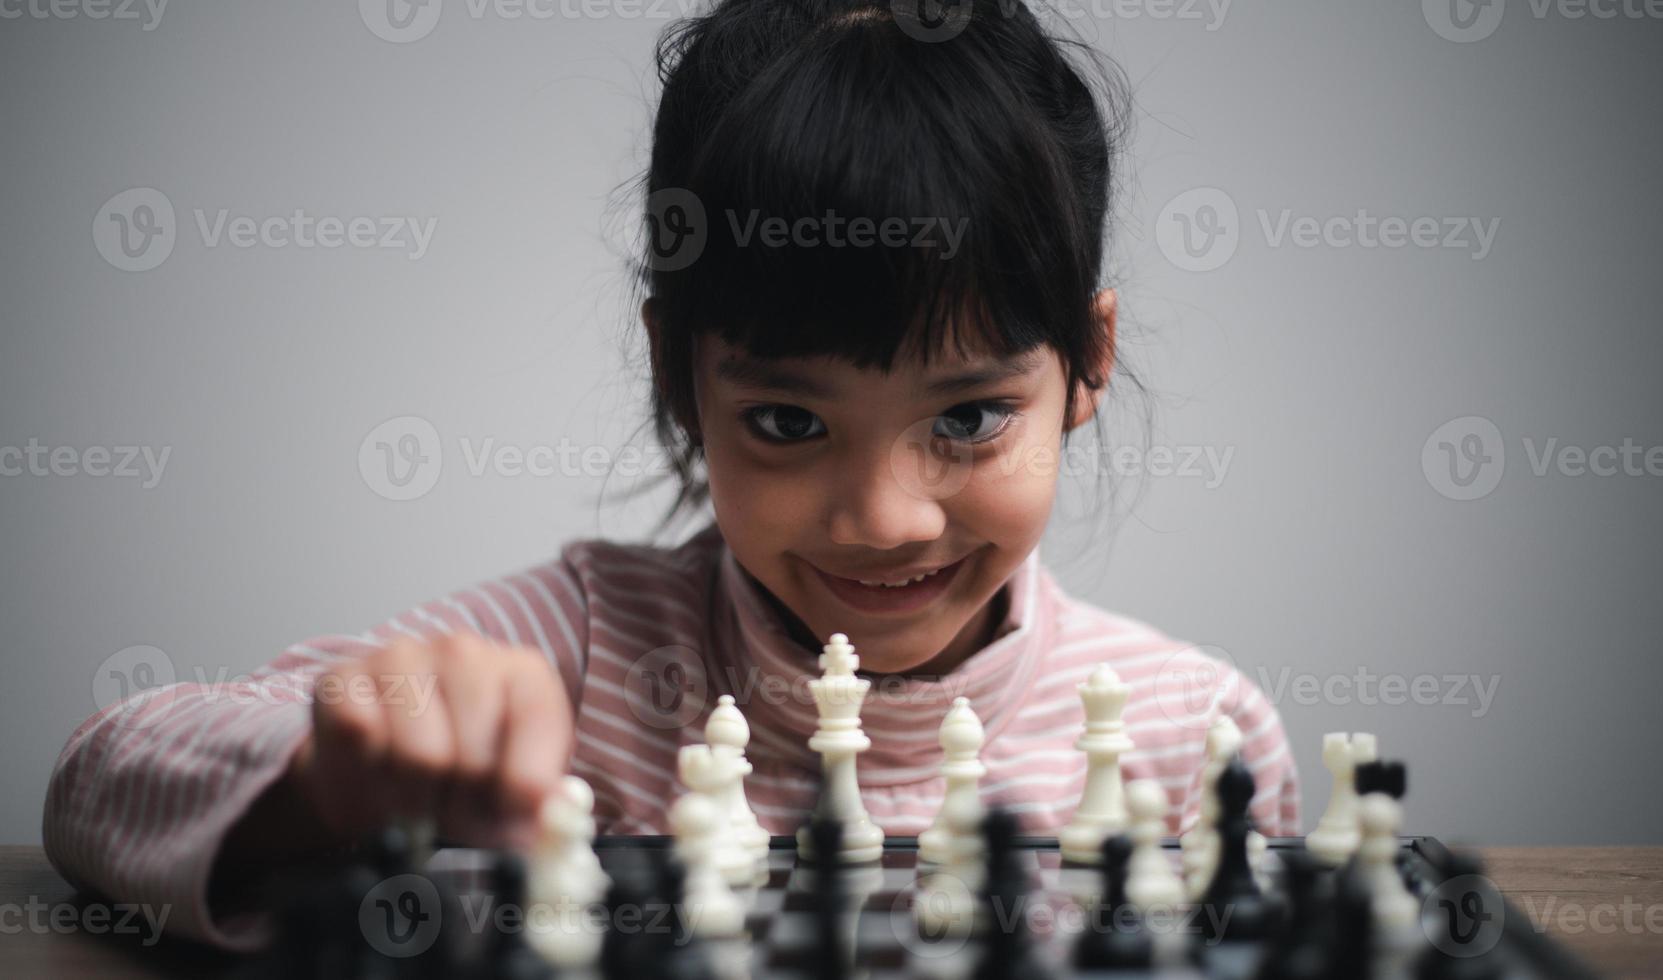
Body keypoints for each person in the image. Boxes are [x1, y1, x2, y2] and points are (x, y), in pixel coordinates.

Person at [42, 0, 1298, 949]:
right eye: (790, 423)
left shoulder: (1198, 735)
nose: (884, 516)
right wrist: (330, 773)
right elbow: (106, 770)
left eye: (968, 414)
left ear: (1085, 360)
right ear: (676, 376)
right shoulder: (576, 647)